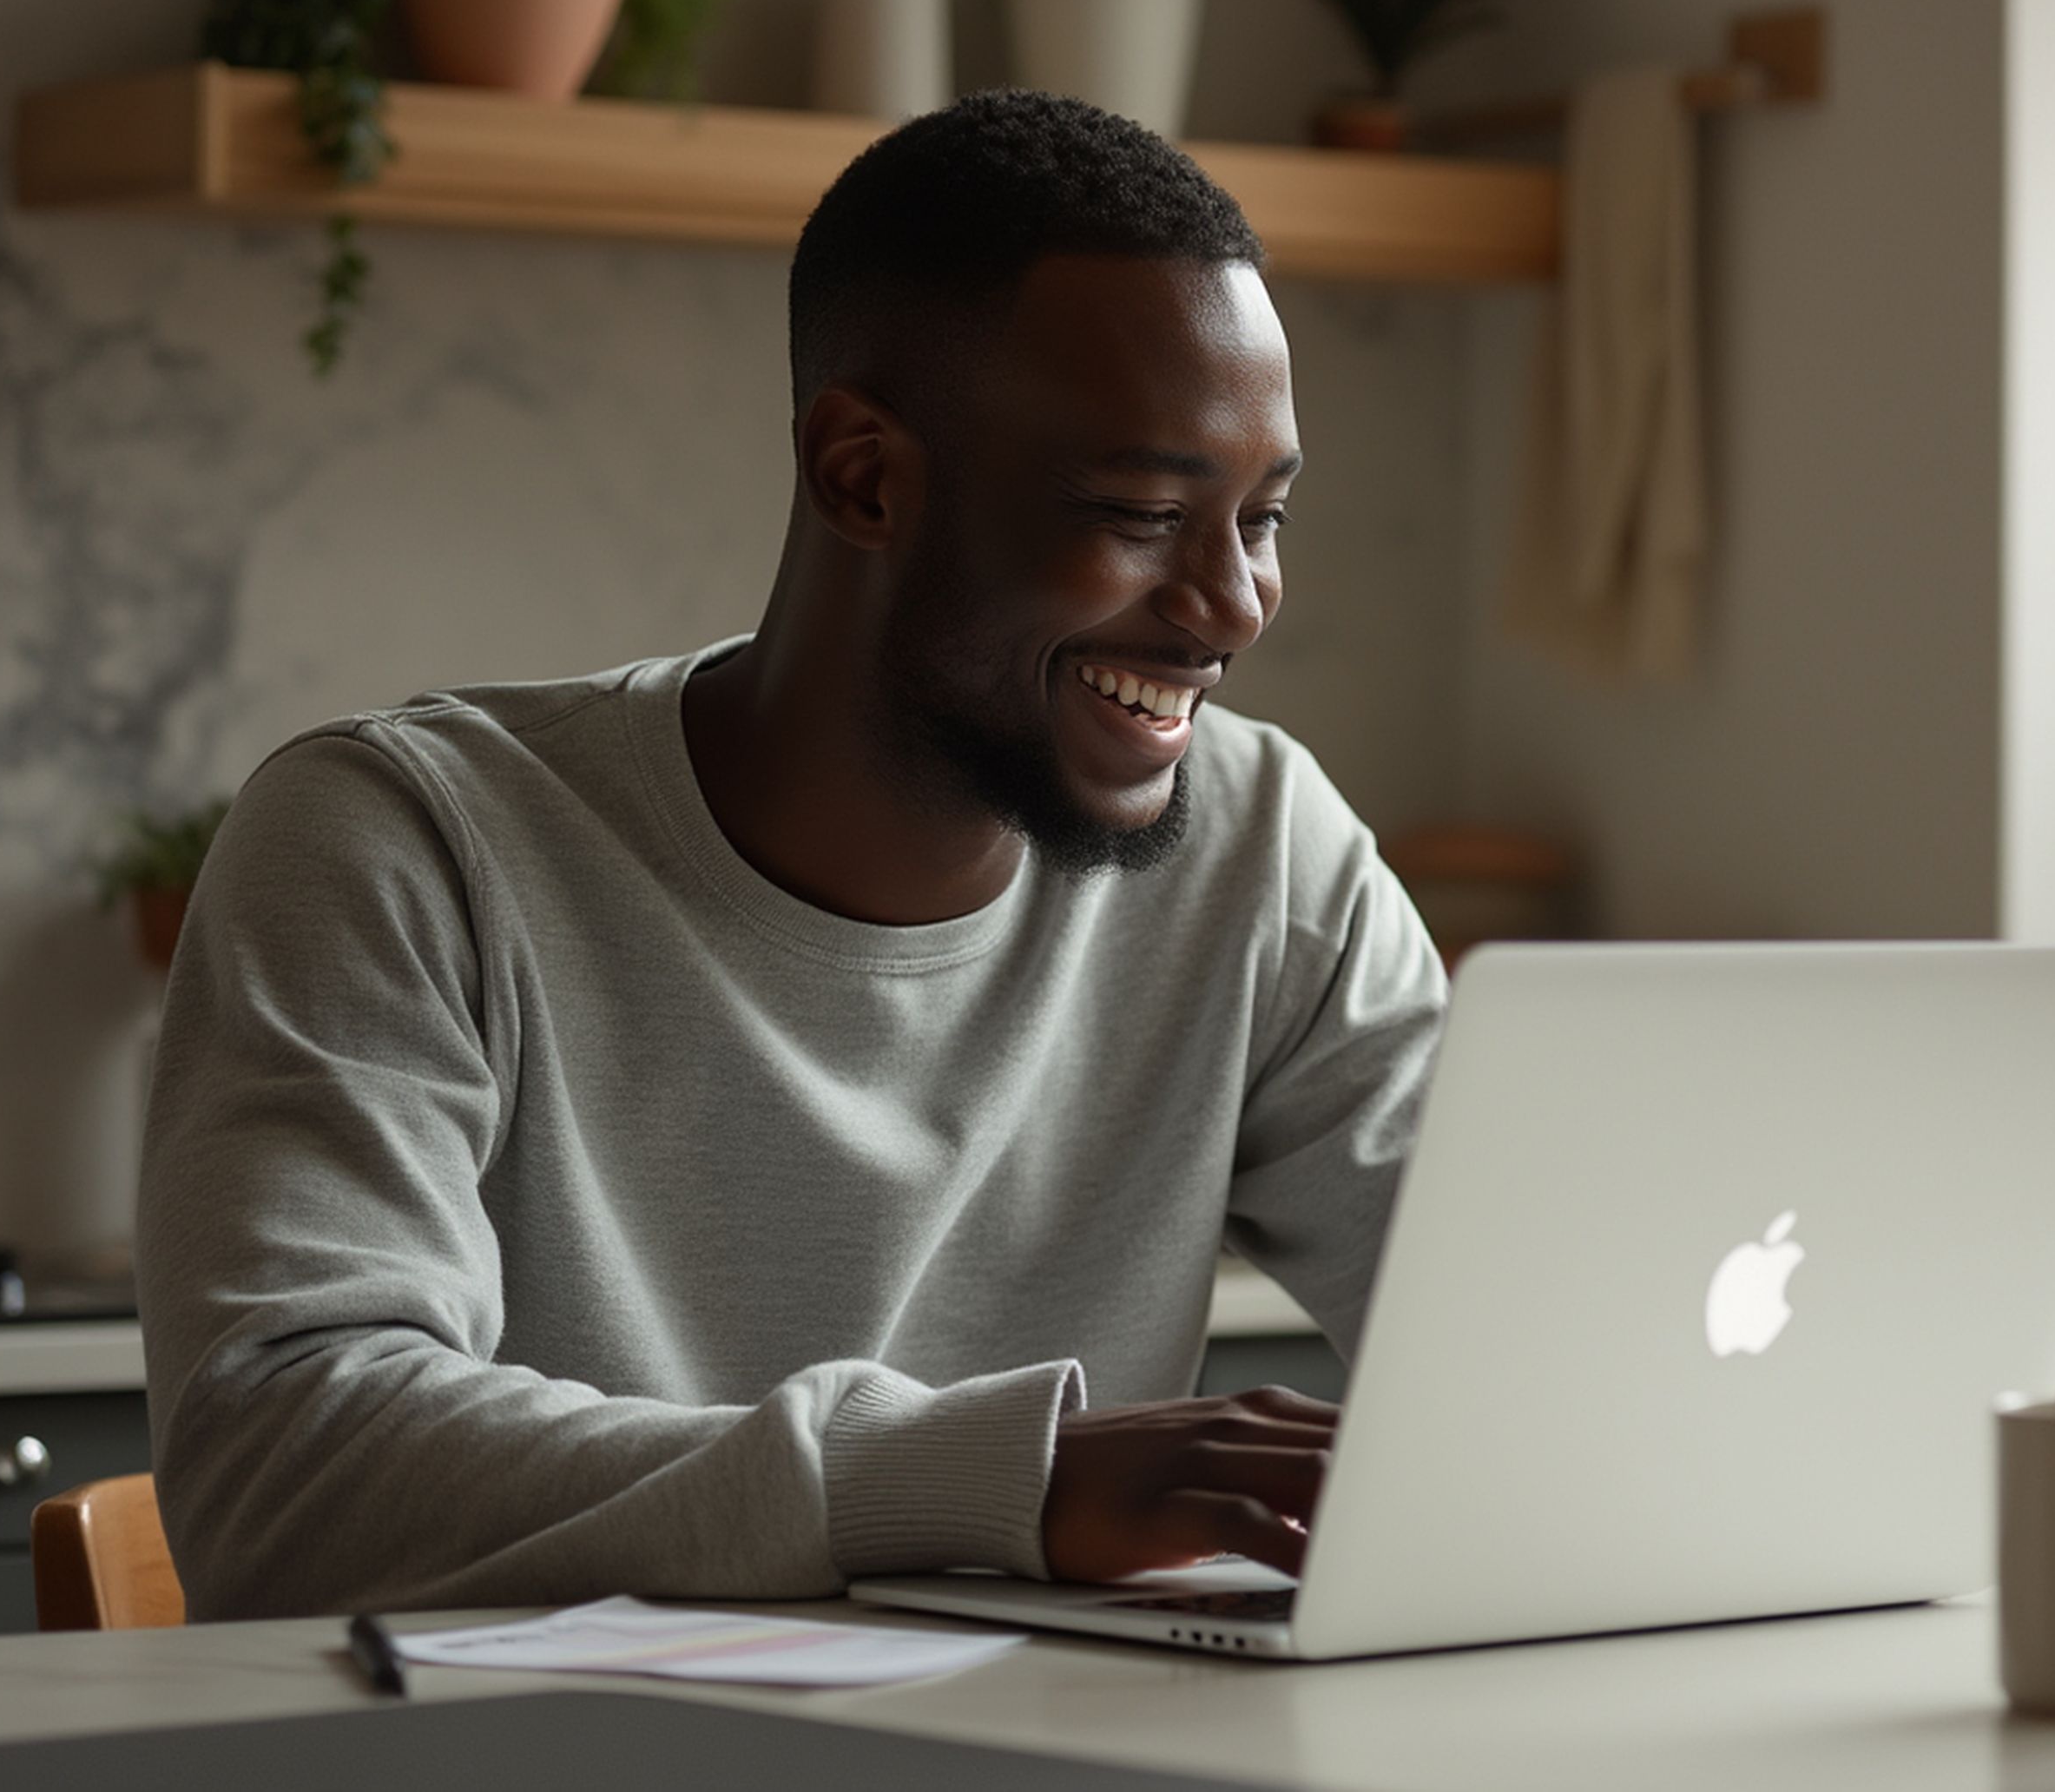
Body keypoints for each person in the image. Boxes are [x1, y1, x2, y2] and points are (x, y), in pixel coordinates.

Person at [136, 89, 1449, 1619]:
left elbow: (1548, 1322)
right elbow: (285, 1469)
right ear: (863, 477)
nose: (1232, 605)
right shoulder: (406, 842)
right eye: (1145, 512)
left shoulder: (1267, 855)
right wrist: (996, 1480)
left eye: (1264, 518)